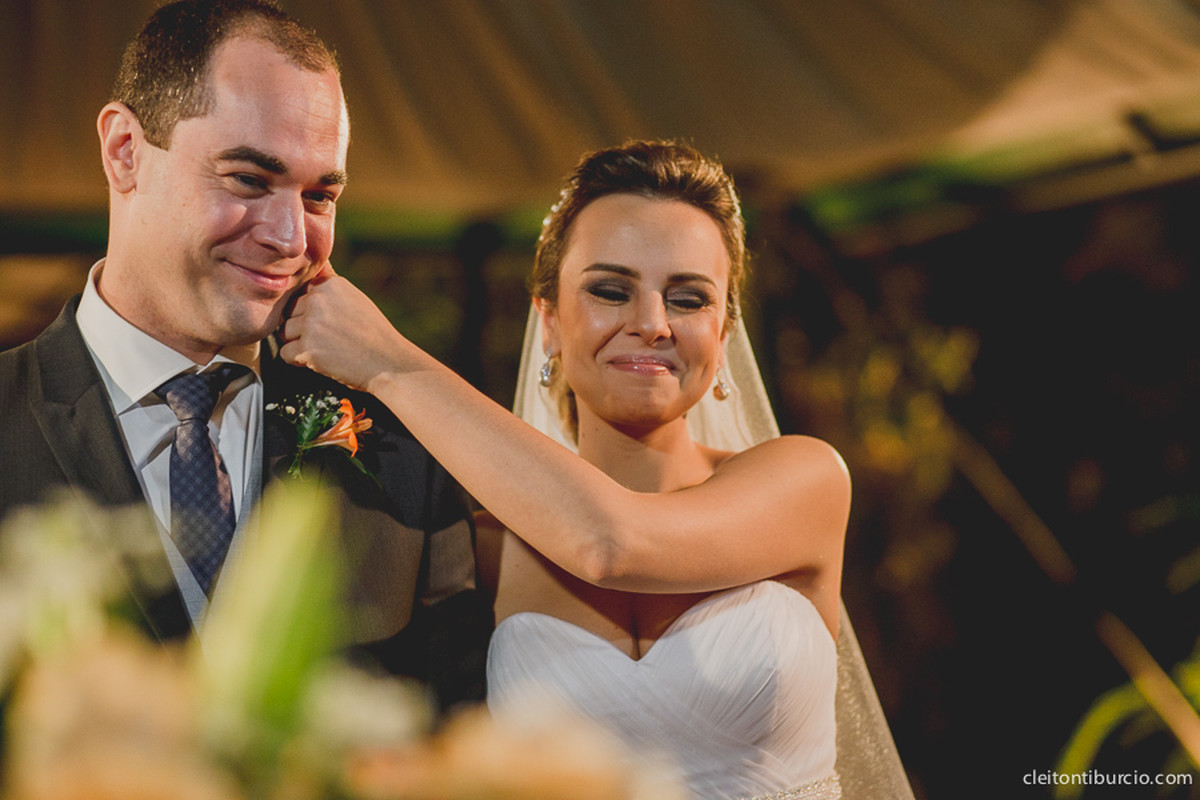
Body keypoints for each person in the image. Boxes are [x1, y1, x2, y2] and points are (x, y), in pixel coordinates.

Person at [280, 140, 913, 798]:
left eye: (689, 299)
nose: (652, 323)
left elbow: (613, 542)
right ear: (548, 322)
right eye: (611, 291)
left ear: (724, 338)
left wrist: (390, 362)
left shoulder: (805, 481)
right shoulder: (479, 550)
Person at [0, 0, 489, 711]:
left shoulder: (402, 444)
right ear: (124, 151)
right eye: (250, 180)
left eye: (320, 195)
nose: (292, 237)